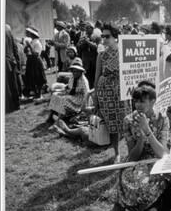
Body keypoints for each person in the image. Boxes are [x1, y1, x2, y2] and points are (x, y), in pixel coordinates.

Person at [117, 86, 171, 211]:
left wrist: (147, 130)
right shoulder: (128, 120)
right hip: (139, 161)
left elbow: (161, 153)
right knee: (134, 179)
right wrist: (141, 139)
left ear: (153, 101)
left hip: (157, 157)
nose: (138, 105)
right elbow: (132, 157)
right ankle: (150, 207)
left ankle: (168, 206)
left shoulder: (162, 118)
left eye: (142, 101)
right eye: (135, 101)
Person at [93, 23, 131, 163]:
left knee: (126, 121)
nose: (104, 38)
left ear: (115, 37)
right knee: (113, 125)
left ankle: (130, 150)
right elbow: (96, 77)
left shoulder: (125, 51)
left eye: (107, 36)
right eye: (102, 36)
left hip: (122, 91)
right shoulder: (101, 55)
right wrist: (96, 96)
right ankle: (117, 153)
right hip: (106, 93)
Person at [46, 58, 90, 125]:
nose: (75, 73)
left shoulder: (84, 81)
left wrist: (84, 107)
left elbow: (87, 94)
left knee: (63, 99)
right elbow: (69, 87)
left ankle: (58, 120)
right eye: (74, 71)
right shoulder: (72, 77)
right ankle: (53, 115)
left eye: (77, 71)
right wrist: (60, 90)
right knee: (55, 95)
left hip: (79, 100)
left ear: (80, 71)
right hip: (71, 95)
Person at [23, 26, 47, 100]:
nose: (26, 33)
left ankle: (39, 94)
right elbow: (27, 51)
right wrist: (27, 47)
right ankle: (35, 92)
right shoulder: (32, 41)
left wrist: (29, 46)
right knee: (31, 78)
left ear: (31, 34)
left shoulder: (37, 43)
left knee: (38, 77)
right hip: (31, 61)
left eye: (28, 32)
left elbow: (36, 54)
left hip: (36, 62)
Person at [76, 22, 98, 88]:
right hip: (86, 62)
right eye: (86, 28)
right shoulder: (83, 37)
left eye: (88, 28)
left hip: (94, 61)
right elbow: (78, 47)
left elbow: (96, 47)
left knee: (94, 78)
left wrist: (88, 42)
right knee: (87, 78)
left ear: (92, 29)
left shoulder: (96, 37)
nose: (87, 30)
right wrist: (83, 42)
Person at [5, 24, 21, 113]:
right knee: (13, 84)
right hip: (11, 61)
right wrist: (17, 62)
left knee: (7, 85)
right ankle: (16, 104)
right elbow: (15, 48)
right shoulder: (8, 29)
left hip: (5, 61)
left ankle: (10, 106)